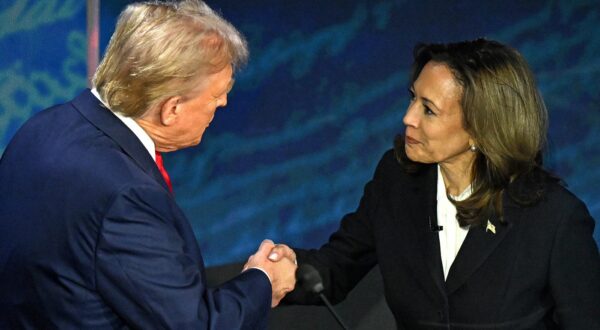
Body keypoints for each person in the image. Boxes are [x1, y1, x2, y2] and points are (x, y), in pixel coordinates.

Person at [0, 0, 296, 329]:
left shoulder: (42, 126)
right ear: (172, 108)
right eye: (216, 96)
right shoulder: (127, 196)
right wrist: (262, 281)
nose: (223, 103)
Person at [273, 39, 600, 328]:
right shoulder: (396, 180)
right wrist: (283, 273)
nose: (408, 118)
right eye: (413, 98)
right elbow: (338, 265)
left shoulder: (555, 219)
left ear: (480, 128)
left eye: (428, 109)